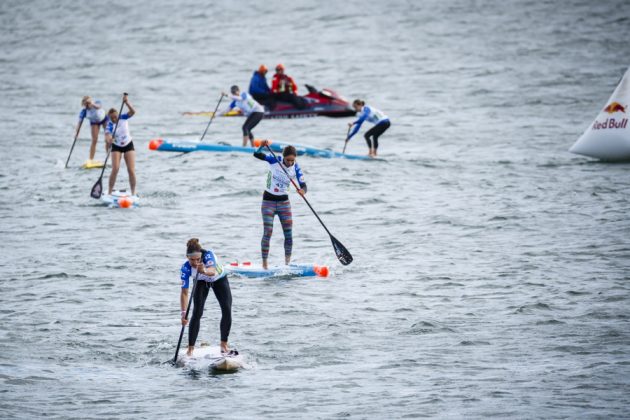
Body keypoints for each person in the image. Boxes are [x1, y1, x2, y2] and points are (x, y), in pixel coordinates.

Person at [253, 141, 307, 269]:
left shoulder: (296, 168)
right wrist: (261, 145)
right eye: (287, 160)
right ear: (283, 157)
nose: (289, 163)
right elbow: (256, 154)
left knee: (288, 234)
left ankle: (287, 263)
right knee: (268, 232)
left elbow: (304, 185)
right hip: (268, 202)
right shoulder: (275, 160)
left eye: (292, 160)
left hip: (284, 203)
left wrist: (302, 191)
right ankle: (265, 264)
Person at [180, 238, 232, 356]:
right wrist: (183, 313)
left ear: (201, 255)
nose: (195, 262)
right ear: (187, 257)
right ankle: (190, 349)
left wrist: (203, 270)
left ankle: (223, 345)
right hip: (201, 282)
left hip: (219, 279)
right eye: (192, 260)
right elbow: (184, 292)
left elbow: (212, 271)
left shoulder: (208, 255)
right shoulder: (185, 268)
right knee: (197, 313)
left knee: (226, 309)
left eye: (198, 259)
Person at [105, 94, 136, 195]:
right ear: (109, 118)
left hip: (128, 144)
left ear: (118, 115)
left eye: (115, 117)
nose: (114, 119)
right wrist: (110, 140)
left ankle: (133, 192)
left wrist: (127, 103)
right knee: (115, 169)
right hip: (116, 146)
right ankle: (109, 191)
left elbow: (133, 112)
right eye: (112, 118)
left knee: (131, 170)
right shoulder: (109, 125)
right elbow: (108, 137)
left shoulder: (123, 117)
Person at [77, 96, 107, 164]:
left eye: (88, 103)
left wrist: (91, 103)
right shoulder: (84, 111)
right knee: (94, 140)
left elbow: (98, 107)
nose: (88, 105)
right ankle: (91, 160)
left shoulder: (97, 103)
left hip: (104, 119)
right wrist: (77, 133)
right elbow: (79, 123)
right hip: (94, 122)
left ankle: (109, 158)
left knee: (107, 140)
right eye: (86, 104)